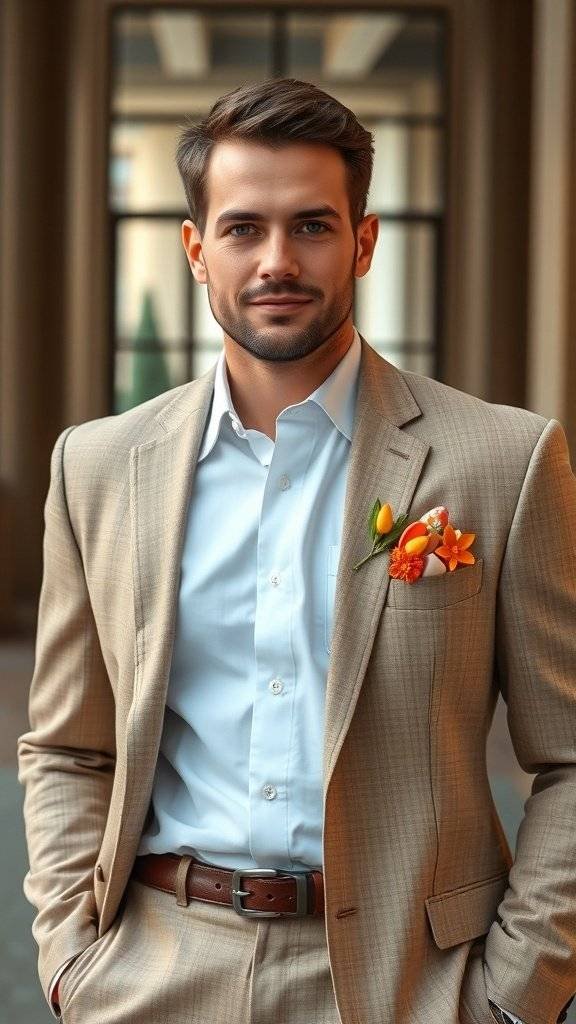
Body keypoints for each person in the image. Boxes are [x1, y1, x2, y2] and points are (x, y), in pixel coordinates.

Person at [18, 78, 576, 1024]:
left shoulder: (504, 460)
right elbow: (70, 746)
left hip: (411, 980)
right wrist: (73, 960)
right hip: (153, 971)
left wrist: (518, 994)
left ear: (363, 242)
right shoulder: (98, 467)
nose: (277, 261)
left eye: (312, 226)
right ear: (196, 250)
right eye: (242, 228)